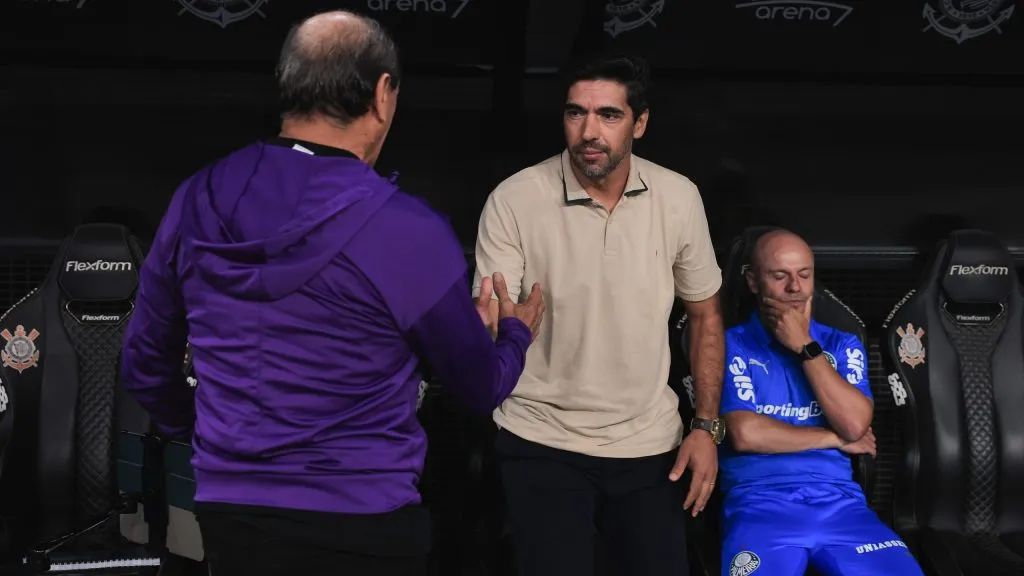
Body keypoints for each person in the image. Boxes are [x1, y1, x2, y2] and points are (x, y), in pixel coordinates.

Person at [119, 11, 544, 576]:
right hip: (365, 526)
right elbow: (478, 387)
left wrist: (212, 440)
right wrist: (513, 334)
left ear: (288, 84)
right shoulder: (409, 231)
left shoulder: (196, 198)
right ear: (384, 95)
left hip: (230, 517)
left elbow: (145, 362)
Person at [473, 54, 726, 576]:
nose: (588, 131)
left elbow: (705, 314)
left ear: (640, 122)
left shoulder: (678, 197)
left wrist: (705, 427)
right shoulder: (515, 199)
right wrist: (497, 326)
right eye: (575, 114)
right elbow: (492, 320)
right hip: (540, 433)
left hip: (649, 442)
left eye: (608, 115)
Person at [718, 229, 925, 576]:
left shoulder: (842, 344)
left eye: (804, 274)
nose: (795, 288)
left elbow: (856, 425)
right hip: (760, 505)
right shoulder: (729, 344)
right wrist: (833, 438)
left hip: (841, 505)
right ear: (753, 282)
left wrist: (806, 347)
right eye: (780, 276)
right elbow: (745, 434)